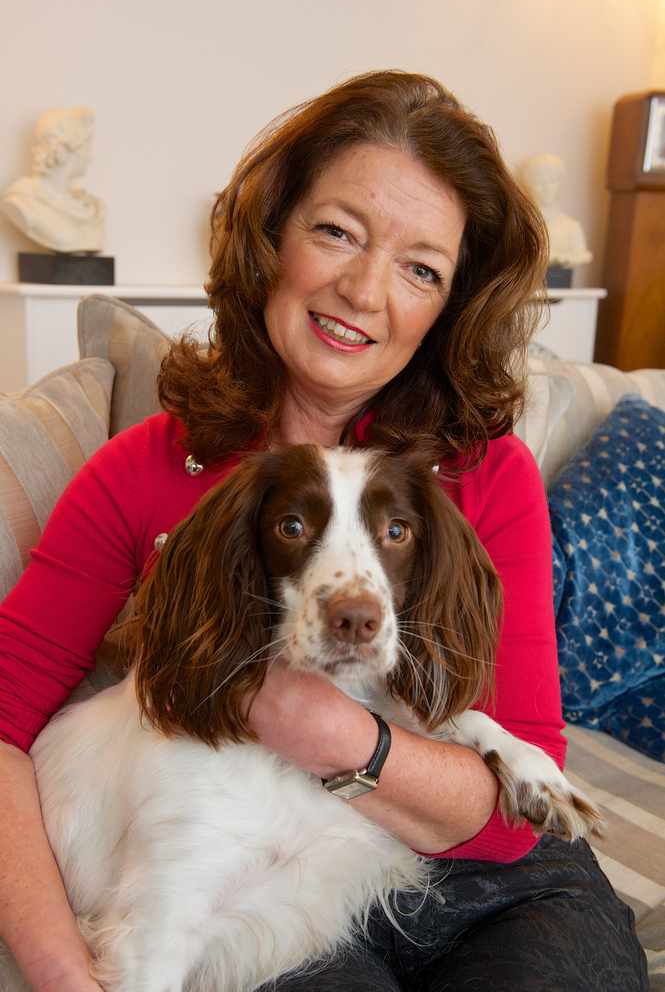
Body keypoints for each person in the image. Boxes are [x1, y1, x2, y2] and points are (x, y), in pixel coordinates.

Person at [0, 71, 647, 992]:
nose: (363, 290)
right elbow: (3, 715)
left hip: (482, 874)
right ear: (271, 239)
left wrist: (340, 739)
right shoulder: (147, 468)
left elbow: (515, 809)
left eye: (420, 268)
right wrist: (61, 967)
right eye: (337, 232)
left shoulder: (483, 473)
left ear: (447, 305)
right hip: (264, 866)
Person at [0, 106, 105, 253]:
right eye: (86, 147)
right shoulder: (24, 201)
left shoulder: (91, 208)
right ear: (64, 150)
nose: (90, 157)